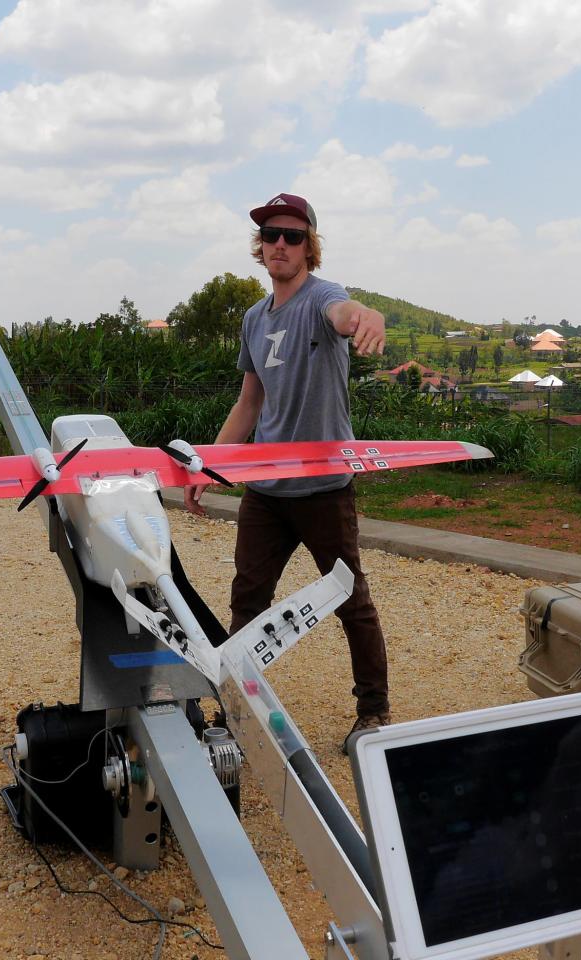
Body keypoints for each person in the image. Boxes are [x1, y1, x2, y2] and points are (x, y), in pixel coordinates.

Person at [184, 192, 389, 753]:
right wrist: (210, 464)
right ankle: (238, 709)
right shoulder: (254, 318)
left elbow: (347, 315)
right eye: (271, 234)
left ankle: (373, 713)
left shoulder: (322, 300)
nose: (279, 243)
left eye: (292, 236)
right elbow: (249, 403)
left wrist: (369, 317)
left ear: (309, 246)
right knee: (248, 599)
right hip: (266, 491)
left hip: (324, 489)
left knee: (350, 598)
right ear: (260, 245)